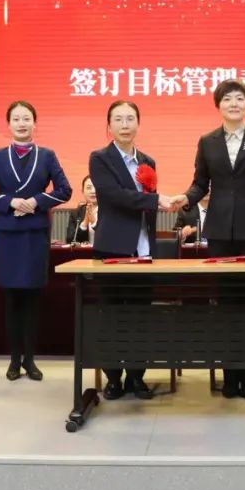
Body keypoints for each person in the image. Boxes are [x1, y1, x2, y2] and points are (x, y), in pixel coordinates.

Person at [174, 78, 245, 400]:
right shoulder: (207, 141)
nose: (233, 104)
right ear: (218, 105)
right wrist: (186, 198)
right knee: (225, 303)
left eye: (239, 99)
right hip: (221, 232)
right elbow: (200, 183)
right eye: (227, 99)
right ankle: (229, 377)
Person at [0, 100, 72, 381]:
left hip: (34, 234)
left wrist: (36, 201)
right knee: (11, 299)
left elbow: (64, 190)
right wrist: (10, 202)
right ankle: (14, 359)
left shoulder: (47, 155)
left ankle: (30, 359)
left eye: (26, 118)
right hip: (7, 235)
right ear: (8, 124)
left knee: (31, 299)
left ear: (34, 123)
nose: (21, 123)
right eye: (16, 118)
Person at [89, 100, 177, 400]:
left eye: (130, 119)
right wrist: (157, 200)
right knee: (112, 316)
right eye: (118, 119)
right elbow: (114, 196)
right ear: (109, 125)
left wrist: (161, 201)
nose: (125, 125)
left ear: (138, 123)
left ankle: (137, 377)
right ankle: (114, 378)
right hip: (112, 249)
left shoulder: (148, 161)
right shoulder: (100, 159)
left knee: (141, 317)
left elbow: (146, 204)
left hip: (144, 250)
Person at [65, 175, 98, 245]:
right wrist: (84, 223)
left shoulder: (109, 211)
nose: (93, 191)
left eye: (96, 187)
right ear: (83, 191)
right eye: (89, 188)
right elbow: (69, 240)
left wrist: (94, 223)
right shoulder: (76, 213)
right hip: (84, 252)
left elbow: (112, 237)